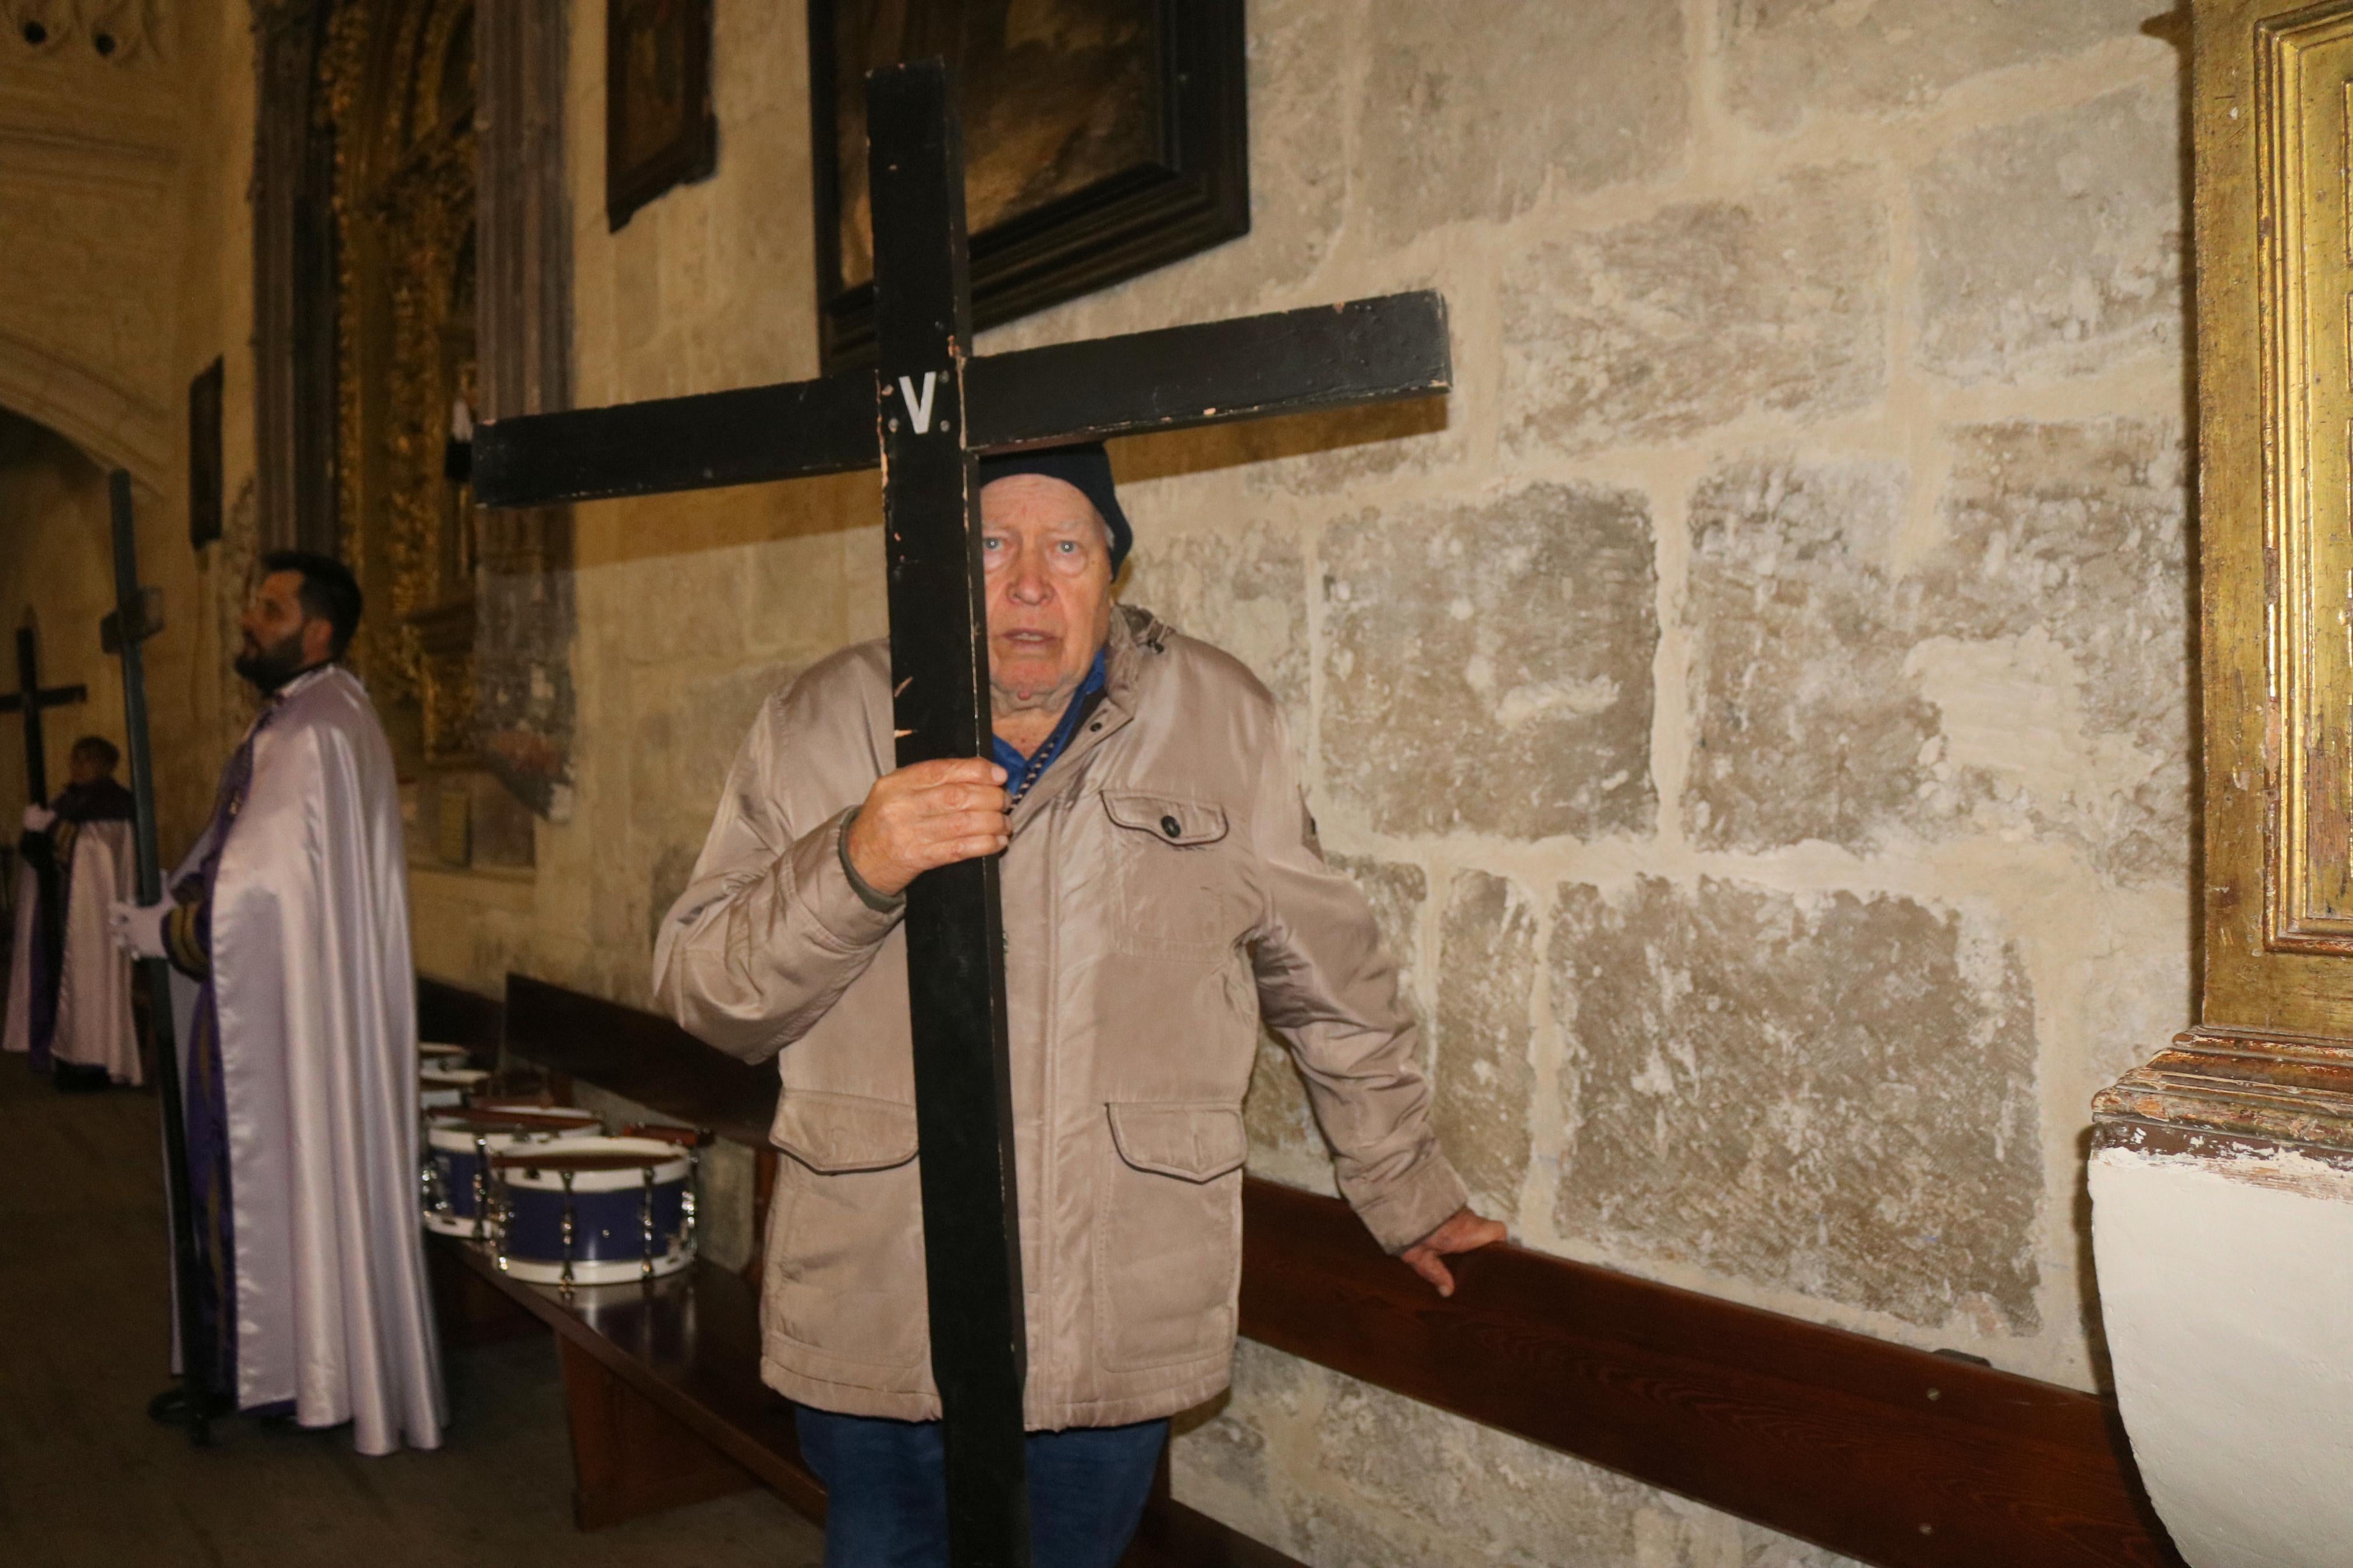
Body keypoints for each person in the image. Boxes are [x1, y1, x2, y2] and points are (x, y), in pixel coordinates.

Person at [654, 445, 1505, 1567]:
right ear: (935, 571)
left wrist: (1405, 1188)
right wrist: (856, 861)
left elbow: (1329, 979)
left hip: (1113, 1292)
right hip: (880, 1284)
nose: (1026, 584)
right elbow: (706, 994)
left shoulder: (1220, 719)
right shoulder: (825, 719)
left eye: (1065, 547)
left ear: (1112, 573)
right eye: (991, 545)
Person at [110, 550, 444, 1455]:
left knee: (260, 1164)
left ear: (318, 630)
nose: (249, 619)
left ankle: (286, 1370)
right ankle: (287, 1362)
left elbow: (260, 900)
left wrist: (174, 933)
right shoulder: (324, 714)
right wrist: (172, 900)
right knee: (282, 1170)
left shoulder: (309, 733)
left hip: (277, 1013)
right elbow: (240, 858)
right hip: (283, 1001)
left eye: (269, 607)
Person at [2, 735, 140, 1087]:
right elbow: (46, 855)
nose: (77, 768)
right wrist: (34, 835)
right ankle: (59, 1053)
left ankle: (89, 1060)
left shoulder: (114, 804)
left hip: (90, 916)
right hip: (63, 907)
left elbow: (86, 852)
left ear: (104, 765)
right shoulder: (68, 800)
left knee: (86, 981)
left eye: (86, 761)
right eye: (75, 760)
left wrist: (49, 829)